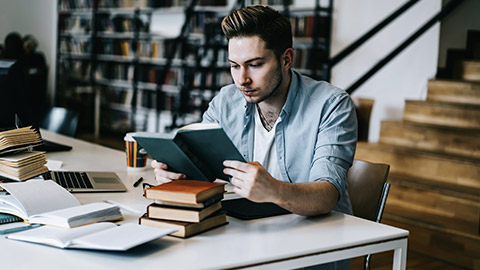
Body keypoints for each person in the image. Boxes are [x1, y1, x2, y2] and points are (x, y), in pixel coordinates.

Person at [152, 6, 356, 264]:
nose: (242, 80)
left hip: (311, 251)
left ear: (286, 59)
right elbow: (199, 166)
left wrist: (273, 190)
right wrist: (176, 174)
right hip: (242, 239)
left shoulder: (332, 105)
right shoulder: (225, 101)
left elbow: (327, 195)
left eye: (255, 65)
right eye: (234, 66)